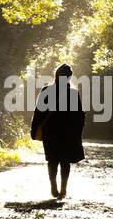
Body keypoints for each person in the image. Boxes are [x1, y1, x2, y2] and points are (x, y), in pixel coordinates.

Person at [30, 63, 85, 200]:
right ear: (69, 77)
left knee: (52, 160)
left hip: (50, 132)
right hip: (67, 133)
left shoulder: (46, 90)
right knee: (65, 161)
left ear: (56, 75)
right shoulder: (73, 93)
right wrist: (77, 134)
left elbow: (39, 112)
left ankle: (53, 186)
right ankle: (63, 189)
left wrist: (34, 129)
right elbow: (79, 116)